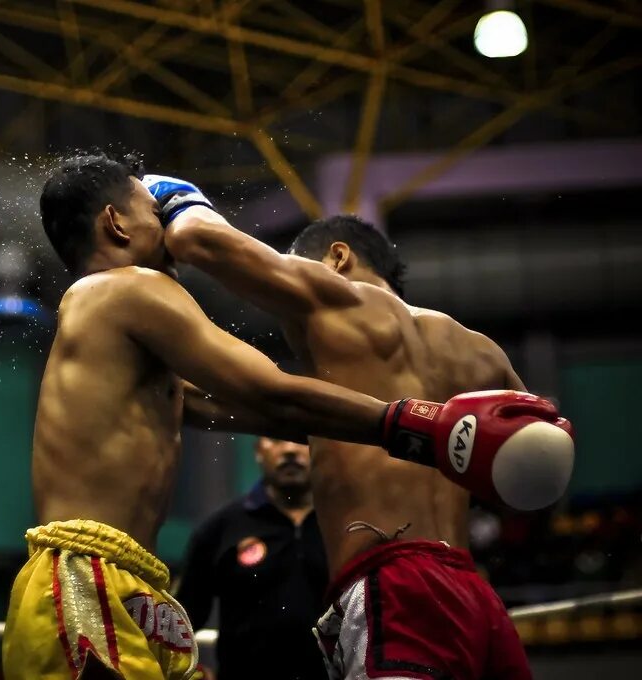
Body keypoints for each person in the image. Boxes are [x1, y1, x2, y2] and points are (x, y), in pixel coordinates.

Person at [0, 153, 528, 680]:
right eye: (153, 213)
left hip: (128, 578)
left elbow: (253, 410)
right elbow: (270, 391)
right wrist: (417, 424)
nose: (165, 226)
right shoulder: (127, 288)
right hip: (83, 575)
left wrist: (390, 426)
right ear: (116, 223)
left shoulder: (117, 336)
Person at [145, 175, 575, 680]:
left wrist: (166, 193)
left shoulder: (340, 300)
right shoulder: (483, 353)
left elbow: (199, 240)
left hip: (397, 586)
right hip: (475, 597)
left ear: (337, 258)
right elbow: (537, 480)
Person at [175, 437, 328, 680]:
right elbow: (181, 622)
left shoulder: (344, 528)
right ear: (258, 451)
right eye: (276, 439)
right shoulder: (220, 528)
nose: (289, 449)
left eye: (300, 439)